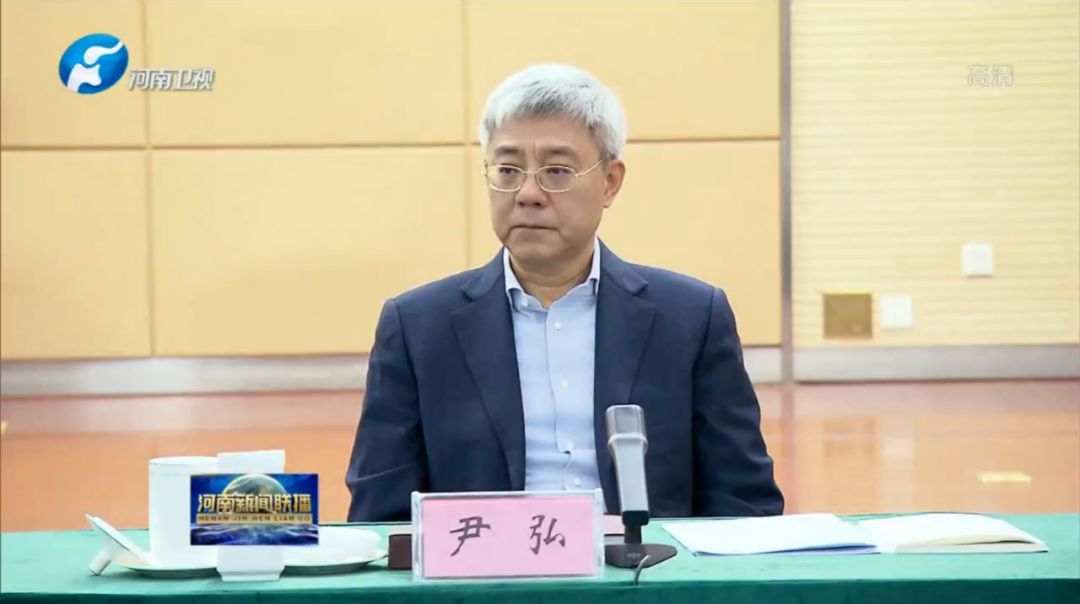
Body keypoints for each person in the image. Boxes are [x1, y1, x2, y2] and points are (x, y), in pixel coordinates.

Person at [346, 64, 783, 521]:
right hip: (486, 566)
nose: (528, 193)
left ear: (610, 182)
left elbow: (744, 504)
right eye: (508, 169)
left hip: (644, 564)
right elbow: (381, 516)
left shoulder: (691, 319)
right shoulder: (418, 327)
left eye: (557, 171)